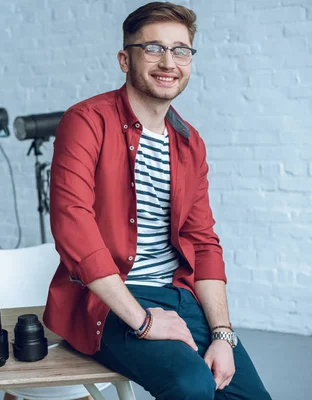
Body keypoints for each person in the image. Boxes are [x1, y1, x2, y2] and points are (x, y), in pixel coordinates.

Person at [43, 2, 272, 399]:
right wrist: (143, 322)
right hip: (111, 302)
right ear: (124, 58)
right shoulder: (85, 122)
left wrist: (222, 335)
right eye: (154, 48)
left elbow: (203, 242)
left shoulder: (189, 141)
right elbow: (72, 225)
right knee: (190, 384)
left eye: (180, 50)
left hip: (181, 297)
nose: (169, 61)